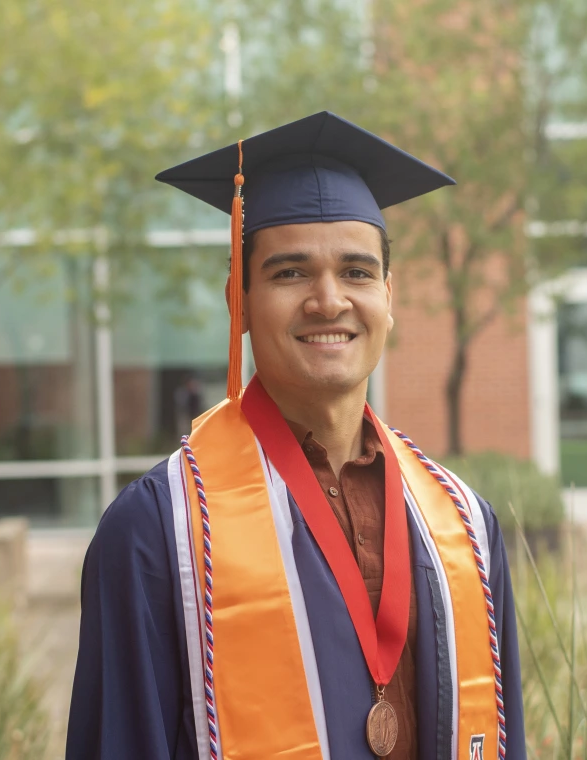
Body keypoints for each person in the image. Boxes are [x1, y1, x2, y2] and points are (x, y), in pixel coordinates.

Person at [67, 111, 526, 760]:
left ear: (390, 298)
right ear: (240, 299)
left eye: (357, 272)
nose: (328, 299)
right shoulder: (156, 534)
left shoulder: (465, 525)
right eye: (290, 273)